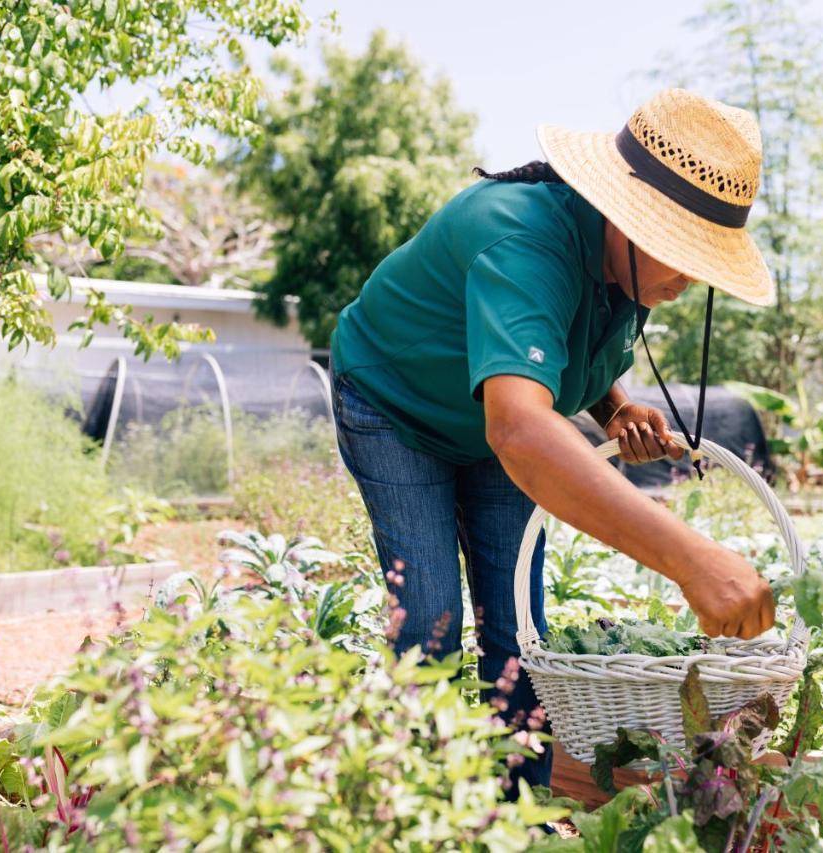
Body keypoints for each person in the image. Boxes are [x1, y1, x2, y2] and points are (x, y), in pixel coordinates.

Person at [329, 88, 776, 789]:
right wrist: (692, 559)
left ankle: (516, 814)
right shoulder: (520, 235)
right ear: (626, 215)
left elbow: (552, 346)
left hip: (495, 424)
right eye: (680, 248)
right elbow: (518, 426)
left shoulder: (628, 270)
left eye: (702, 256)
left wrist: (614, 406)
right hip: (397, 405)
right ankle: (419, 815)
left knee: (519, 637)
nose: (688, 275)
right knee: (431, 627)